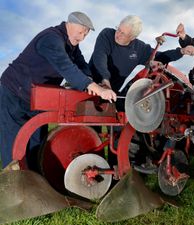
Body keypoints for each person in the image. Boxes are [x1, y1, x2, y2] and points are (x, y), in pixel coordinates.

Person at [0, 11, 117, 169]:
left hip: (38, 97)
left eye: (85, 34)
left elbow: (81, 66)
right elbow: (66, 67)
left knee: (37, 140)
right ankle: (12, 182)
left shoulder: (71, 45)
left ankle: (35, 177)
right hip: (14, 92)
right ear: (69, 24)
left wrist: (94, 82)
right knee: (12, 142)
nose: (82, 37)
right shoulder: (51, 38)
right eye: (80, 32)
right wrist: (95, 88)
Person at [89, 15, 194, 98]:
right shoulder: (107, 34)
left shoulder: (139, 49)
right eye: (118, 29)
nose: (118, 34)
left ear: (133, 37)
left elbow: (160, 57)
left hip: (112, 92)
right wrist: (105, 80)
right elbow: (100, 57)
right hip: (89, 85)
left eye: (123, 34)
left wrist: (181, 51)